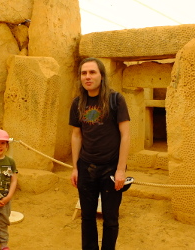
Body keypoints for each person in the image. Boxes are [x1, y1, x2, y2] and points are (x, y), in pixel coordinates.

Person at [69, 57, 130, 250]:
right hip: (87, 167)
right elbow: (76, 135)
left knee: (110, 218)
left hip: (111, 168)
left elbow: (126, 135)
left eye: (92, 72)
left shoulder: (115, 100)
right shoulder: (78, 103)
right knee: (87, 217)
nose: (87, 77)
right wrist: (75, 168)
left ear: (102, 76)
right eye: (84, 73)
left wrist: (121, 170)